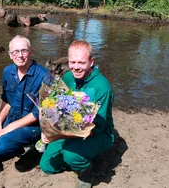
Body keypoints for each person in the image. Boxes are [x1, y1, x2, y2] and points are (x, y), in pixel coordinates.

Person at [39, 40, 114, 188]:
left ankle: (86, 171)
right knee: (47, 166)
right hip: (68, 128)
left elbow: (95, 128)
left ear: (91, 62)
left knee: (71, 154)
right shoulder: (67, 77)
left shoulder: (102, 87)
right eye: (73, 62)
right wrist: (47, 128)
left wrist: (57, 136)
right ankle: (76, 157)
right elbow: (54, 105)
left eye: (81, 62)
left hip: (97, 133)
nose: (76, 67)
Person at [0, 35, 52, 171]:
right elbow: (6, 100)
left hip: (34, 126)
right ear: (10, 55)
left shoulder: (45, 76)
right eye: (15, 52)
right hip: (13, 119)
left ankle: (35, 144)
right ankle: (18, 146)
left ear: (31, 52)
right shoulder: (7, 72)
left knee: (0, 145)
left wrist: (9, 128)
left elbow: (39, 113)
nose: (20, 55)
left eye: (24, 51)